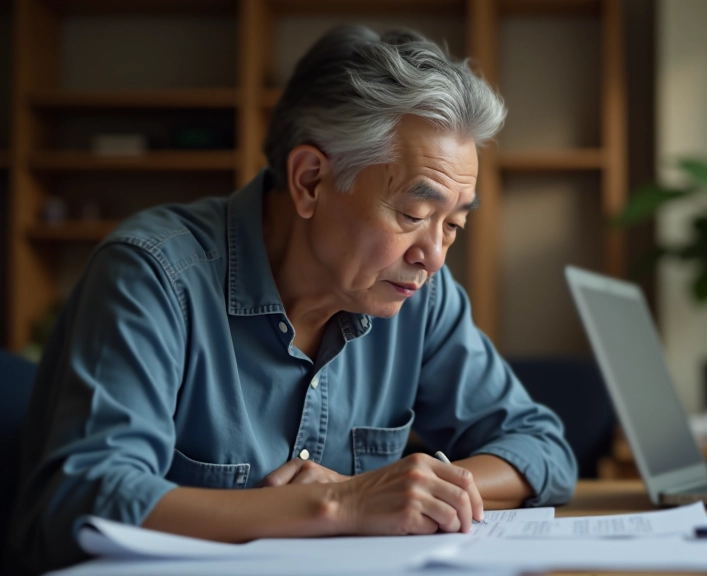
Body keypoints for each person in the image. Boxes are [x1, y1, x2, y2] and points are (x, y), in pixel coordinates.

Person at [8, 25, 577, 573]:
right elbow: (86, 500)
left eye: (453, 224)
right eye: (413, 214)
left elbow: (540, 445)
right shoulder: (154, 276)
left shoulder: (419, 296)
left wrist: (429, 491)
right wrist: (346, 505)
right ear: (309, 180)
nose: (433, 255)